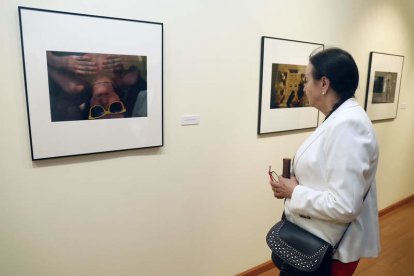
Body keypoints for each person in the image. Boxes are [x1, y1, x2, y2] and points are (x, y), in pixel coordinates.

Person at [269, 47, 380, 276]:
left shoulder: (349, 125)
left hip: (328, 250)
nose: (303, 86)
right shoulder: (339, 118)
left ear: (324, 84)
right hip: (313, 237)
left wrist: (295, 191)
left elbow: (344, 205)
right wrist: (291, 186)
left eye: (307, 79)